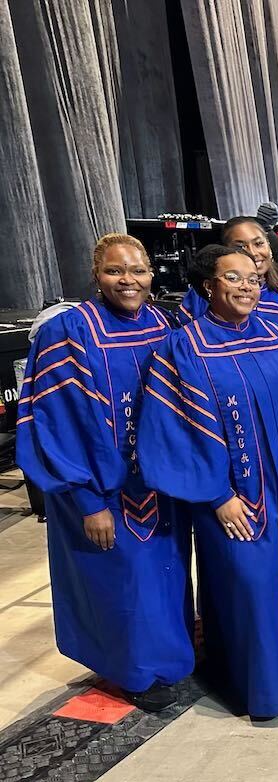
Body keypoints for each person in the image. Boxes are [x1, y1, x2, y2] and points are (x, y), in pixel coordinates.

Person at [138, 245, 278, 719]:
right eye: (233, 278)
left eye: (252, 279)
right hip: (233, 497)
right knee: (248, 588)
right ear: (208, 286)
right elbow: (174, 431)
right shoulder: (183, 347)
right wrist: (217, 496)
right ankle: (257, 688)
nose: (246, 287)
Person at [16, 234, 194, 713]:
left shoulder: (161, 322)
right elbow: (58, 423)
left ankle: (170, 662)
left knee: (164, 576)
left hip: (157, 486)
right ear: (96, 274)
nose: (128, 280)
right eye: (116, 271)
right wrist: (87, 499)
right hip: (98, 487)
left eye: (138, 270)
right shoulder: (69, 332)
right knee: (118, 582)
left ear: (152, 274)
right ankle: (130, 672)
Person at [181, 217, 278, 348]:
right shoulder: (202, 297)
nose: (253, 253)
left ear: (269, 247)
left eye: (259, 243)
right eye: (240, 247)